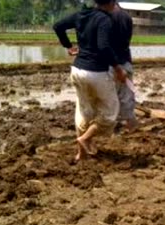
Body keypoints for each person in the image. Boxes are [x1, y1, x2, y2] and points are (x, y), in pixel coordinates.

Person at [53, 0, 127, 161]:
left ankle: (82, 153)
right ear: (111, 3)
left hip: (77, 70)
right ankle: (85, 138)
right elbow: (103, 47)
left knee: (83, 110)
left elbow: (58, 26)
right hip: (96, 73)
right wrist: (118, 68)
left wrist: (68, 46)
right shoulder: (104, 19)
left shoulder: (82, 14)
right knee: (110, 113)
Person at [111, 3, 138, 132]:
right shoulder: (126, 17)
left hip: (106, 64)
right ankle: (130, 124)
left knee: (111, 96)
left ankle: (112, 124)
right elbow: (126, 40)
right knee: (126, 95)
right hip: (123, 61)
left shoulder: (102, 16)